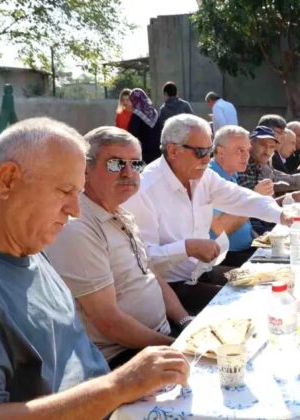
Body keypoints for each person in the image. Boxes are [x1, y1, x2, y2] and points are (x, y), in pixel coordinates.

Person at [0, 118, 189, 420]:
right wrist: (118, 386)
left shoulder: (27, 247)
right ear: (8, 180)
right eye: (65, 191)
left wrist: (124, 388)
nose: (75, 211)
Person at [46, 126, 193, 369]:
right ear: (85, 169)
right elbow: (109, 322)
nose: (128, 173)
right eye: (115, 164)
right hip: (121, 357)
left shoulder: (121, 213)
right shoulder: (78, 228)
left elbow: (150, 274)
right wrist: (176, 347)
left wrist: (186, 320)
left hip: (158, 336)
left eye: (135, 164)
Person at [123, 114, 289, 314]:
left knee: (273, 284)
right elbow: (143, 262)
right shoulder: (145, 190)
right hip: (170, 291)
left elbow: (241, 198)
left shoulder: (203, 176)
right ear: (173, 150)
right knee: (250, 307)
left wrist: (282, 215)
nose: (206, 159)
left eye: (209, 151)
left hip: (202, 272)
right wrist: (187, 248)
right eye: (201, 152)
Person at [209, 126, 274, 268]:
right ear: (220, 151)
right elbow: (220, 229)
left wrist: (259, 240)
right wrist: (254, 199)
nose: (246, 156)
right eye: (240, 150)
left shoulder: (231, 174)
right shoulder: (211, 178)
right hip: (226, 259)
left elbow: (241, 220)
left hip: (246, 248)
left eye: (247, 150)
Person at [127, 88, 161, 163]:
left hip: (143, 154)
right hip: (158, 152)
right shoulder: (154, 112)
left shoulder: (137, 114)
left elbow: (131, 134)